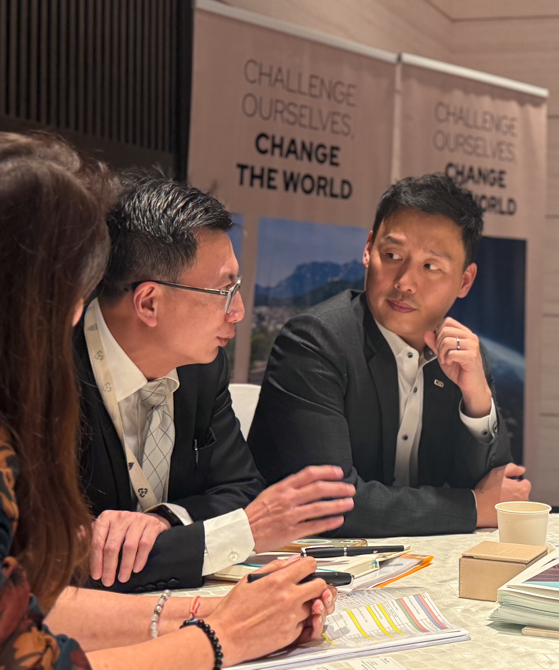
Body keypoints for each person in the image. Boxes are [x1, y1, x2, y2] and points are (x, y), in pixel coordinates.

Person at [0, 131, 334, 669]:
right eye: (76, 279)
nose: (83, 305)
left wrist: (216, 611)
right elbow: (14, 652)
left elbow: (16, 601)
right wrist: (221, 638)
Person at [77, 174, 355, 592]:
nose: (238, 311)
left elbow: (240, 488)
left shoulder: (202, 365)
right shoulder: (46, 370)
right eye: (225, 290)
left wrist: (166, 519)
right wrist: (233, 535)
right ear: (149, 302)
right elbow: (64, 556)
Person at [248, 174, 530, 536]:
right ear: (368, 249)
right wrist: (473, 507)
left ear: (465, 281)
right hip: (305, 558)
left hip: (415, 558)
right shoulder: (314, 343)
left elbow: (498, 487)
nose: (405, 282)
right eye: (392, 255)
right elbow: (329, 505)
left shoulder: (463, 354)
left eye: (431, 267)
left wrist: (477, 400)